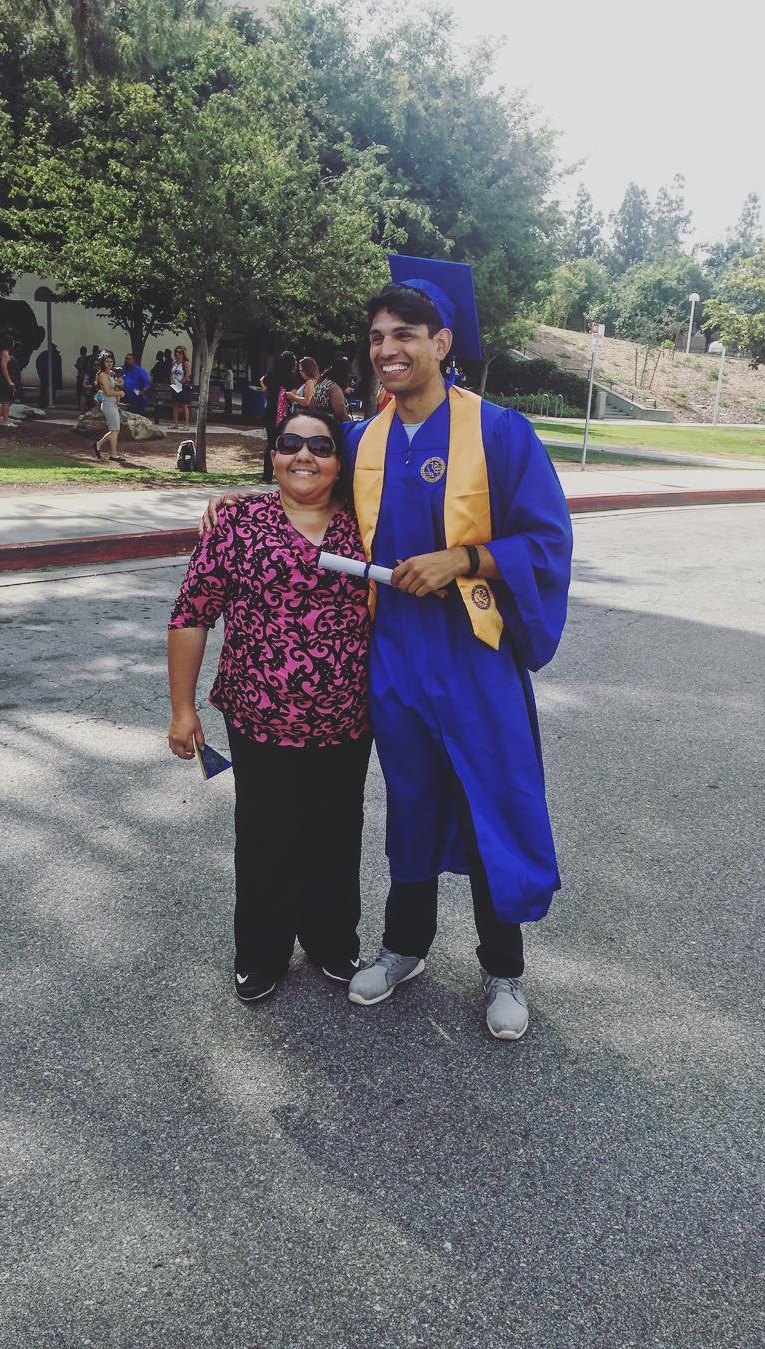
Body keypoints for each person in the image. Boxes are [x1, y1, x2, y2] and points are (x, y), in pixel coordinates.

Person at [202, 256, 572, 1041]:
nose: (386, 349)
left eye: (404, 334)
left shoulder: (499, 432)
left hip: (474, 652)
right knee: (410, 801)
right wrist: (232, 501)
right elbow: (303, 484)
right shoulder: (362, 438)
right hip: (394, 654)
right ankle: (405, 946)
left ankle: (502, 968)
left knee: (486, 805)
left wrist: (463, 558)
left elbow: (546, 539)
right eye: (376, 337)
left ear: (442, 342)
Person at [167, 408, 372, 1002]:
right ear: (272, 454)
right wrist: (183, 709)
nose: (304, 455)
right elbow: (191, 614)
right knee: (266, 833)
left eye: (321, 446)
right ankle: (262, 951)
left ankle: (333, 941)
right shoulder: (237, 523)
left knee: (337, 831)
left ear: (341, 461)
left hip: (348, 717)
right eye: (289, 443)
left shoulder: (368, 522)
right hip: (259, 716)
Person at [260, 351, 298, 483]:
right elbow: (292, 395)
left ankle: (266, 476)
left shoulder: (272, 374)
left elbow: (262, 381)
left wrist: (268, 390)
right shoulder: (291, 378)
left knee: (271, 445)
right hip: (283, 415)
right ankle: (283, 475)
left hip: (269, 413)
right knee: (284, 445)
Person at [92, 350, 124, 461]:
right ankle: (114, 455)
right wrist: (120, 393)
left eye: (111, 361)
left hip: (113, 404)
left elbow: (115, 386)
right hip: (107, 404)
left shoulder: (110, 374)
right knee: (115, 430)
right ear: (102, 362)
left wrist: (119, 383)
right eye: (107, 361)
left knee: (115, 430)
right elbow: (107, 392)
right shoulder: (102, 375)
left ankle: (98, 445)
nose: (109, 363)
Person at [310, 355, 353, 421]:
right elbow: (341, 414)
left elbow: (311, 405)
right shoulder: (334, 388)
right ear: (344, 374)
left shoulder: (322, 382)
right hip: (331, 427)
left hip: (318, 423)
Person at [0, 335, 23, 427]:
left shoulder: (9, 353)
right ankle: (5, 420)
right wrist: (9, 381)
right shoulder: (4, 353)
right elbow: (4, 368)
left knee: (10, 400)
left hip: (12, 379)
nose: (14, 343)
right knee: (7, 400)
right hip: (6, 380)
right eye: (13, 341)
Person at [169, 346, 191, 430]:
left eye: (180, 352)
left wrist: (180, 383)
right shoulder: (175, 363)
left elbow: (187, 375)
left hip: (183, 385)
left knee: (184, 405)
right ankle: (175, 423)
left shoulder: (185, 363)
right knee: (175, 404)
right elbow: (172, 374)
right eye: (176, 352)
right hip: (174, 385)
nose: (177, 354)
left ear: (183, 354)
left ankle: (186, 424)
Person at [35, 343, 63, 408]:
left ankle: (44, 403)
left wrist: (40, 372)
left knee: (45, 389)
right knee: (49, 390)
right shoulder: (55, 355)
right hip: (49, 375)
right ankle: (47, 402)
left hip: (47, 375)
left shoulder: (45, 354)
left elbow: (38, 363)